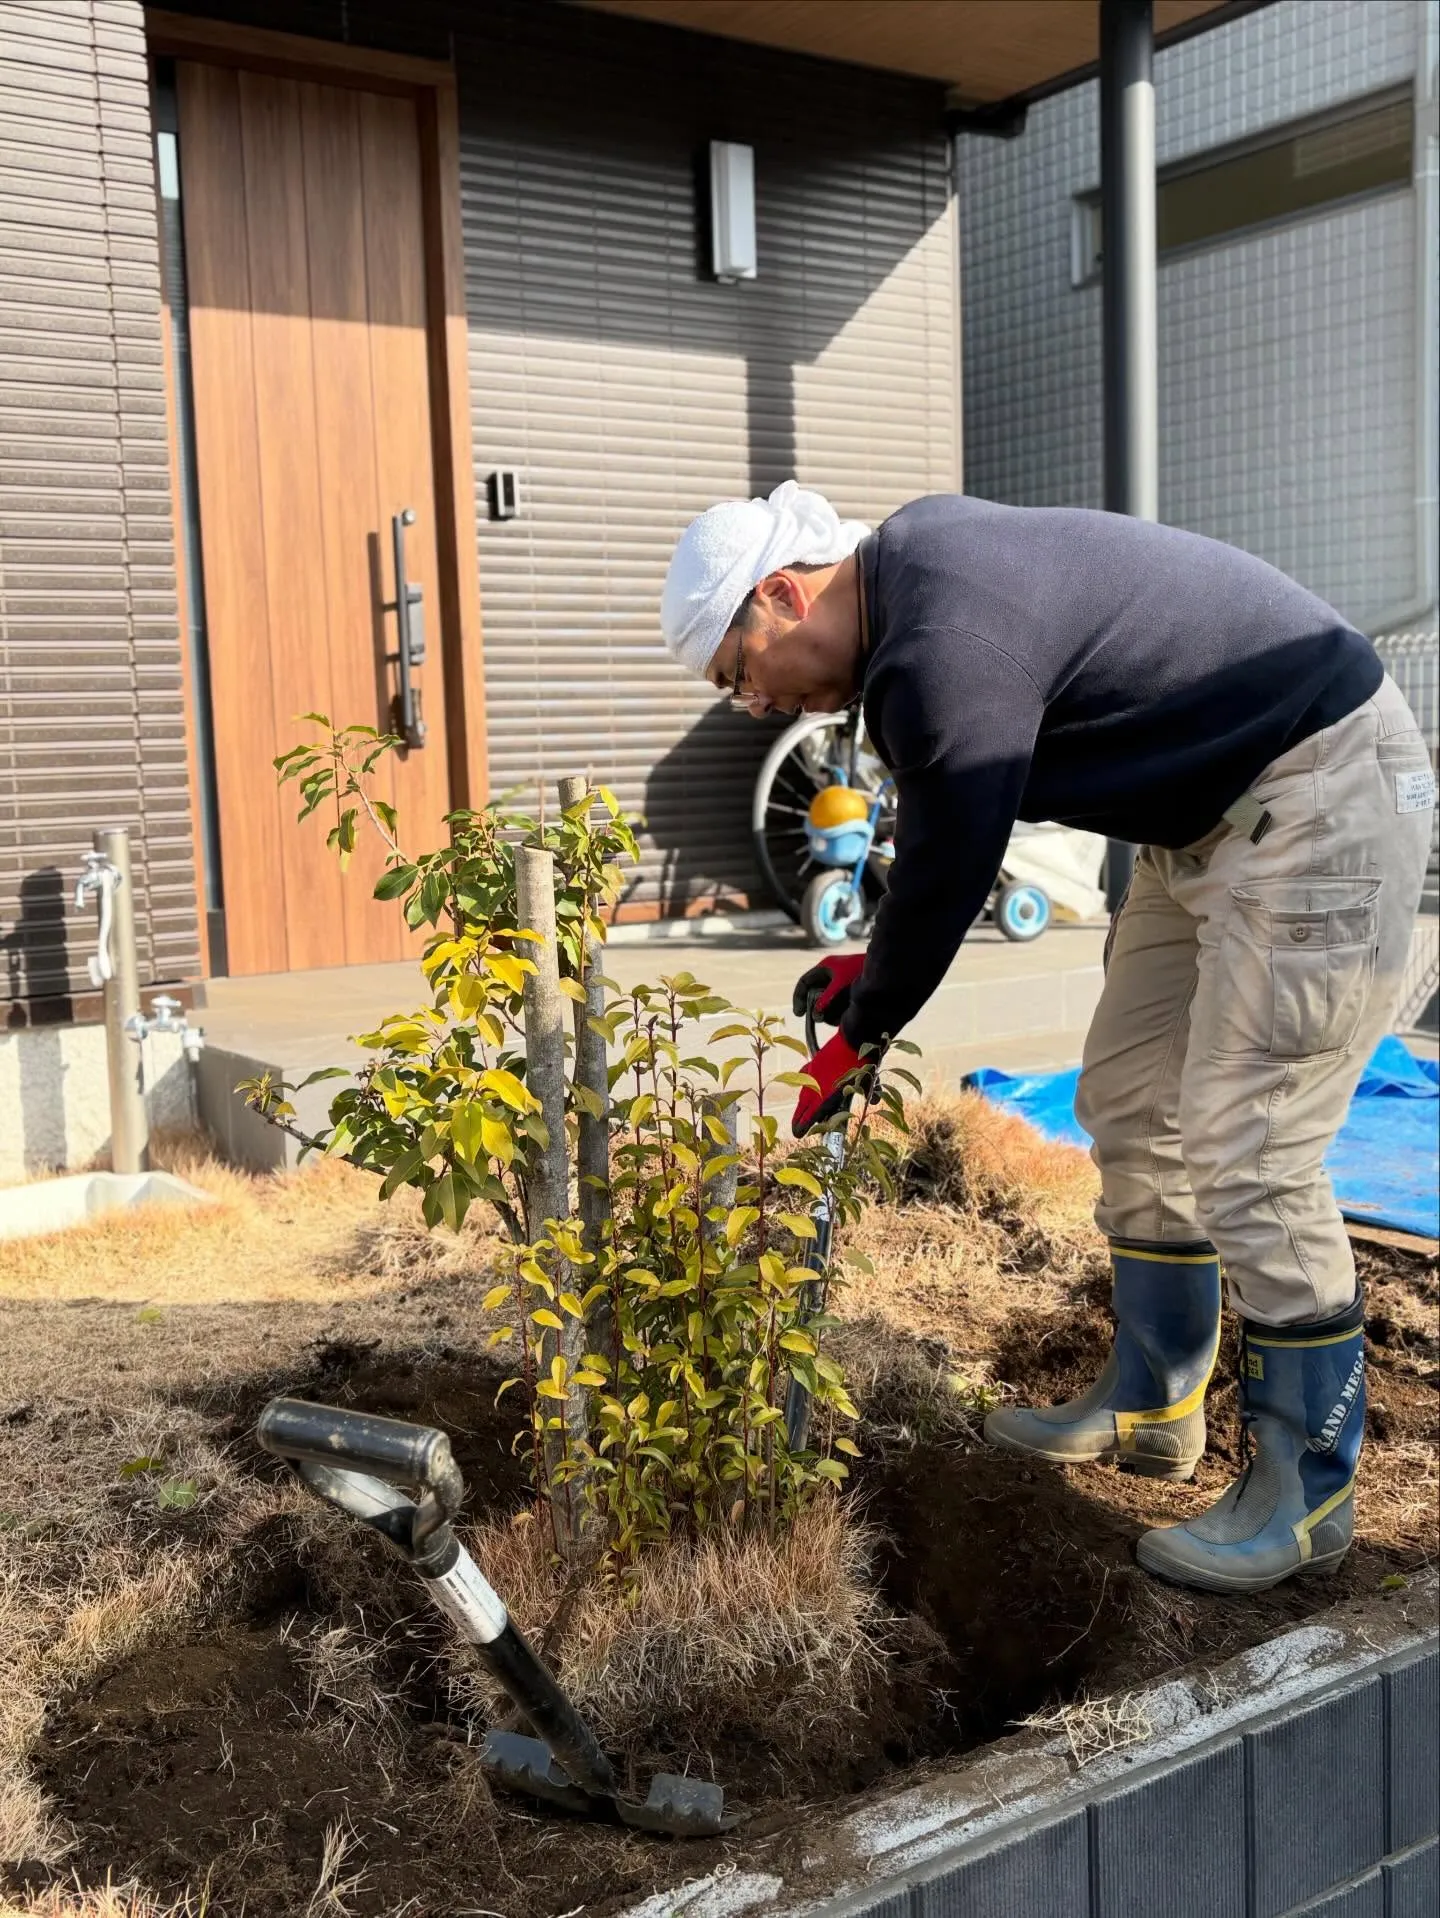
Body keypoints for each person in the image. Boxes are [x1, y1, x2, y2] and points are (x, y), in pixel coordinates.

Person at [659, 481, 1436, 1596]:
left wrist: (866, 1025)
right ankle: (1155, 1398)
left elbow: (950, 860)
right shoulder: (913, 588)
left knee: (1249, 1144)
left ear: (781, 596)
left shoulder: (937, 637)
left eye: (736, 672)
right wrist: (874, 975)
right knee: (1127, 1095)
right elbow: (937, 839)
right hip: (1209, 817)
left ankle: (1306, 1488)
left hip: (1319, 784)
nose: (748, 703)